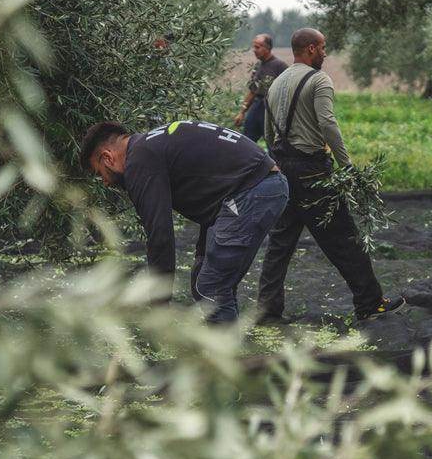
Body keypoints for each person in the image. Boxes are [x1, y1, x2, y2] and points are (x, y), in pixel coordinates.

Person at [256, 28, 404, 323]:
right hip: (313, 172)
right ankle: (369, 303)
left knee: (279, 242)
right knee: (344, 237)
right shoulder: (319, 79)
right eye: (323, 47)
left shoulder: (275, 85)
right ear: (310, 49)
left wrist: (278, 164)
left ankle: (267, 310)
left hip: (283, 170)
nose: (325, 53)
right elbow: (328, 124)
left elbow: (268, 134)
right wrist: (347, 166)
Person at [80, 119, 289, 323]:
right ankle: (222, 345)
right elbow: (212, 194)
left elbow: (160, 235)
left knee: (211, 288)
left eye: (100, 174)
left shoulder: (139, 159)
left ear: (107, 158)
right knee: (203, 278)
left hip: (255, 190)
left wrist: (159, 305)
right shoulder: (148, 146)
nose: (105, 183)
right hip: (253, 188)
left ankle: (225, 355)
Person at [233, 34, 288, 142]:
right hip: (256, 108)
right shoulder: (258, 66)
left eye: (258, 47)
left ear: (267, 48)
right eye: (254, 47)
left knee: (273, 145)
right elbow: (252, 91)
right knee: (246, 142)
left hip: (271, 110)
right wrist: (242, 112)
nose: (254, 50)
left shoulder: (280, 66)